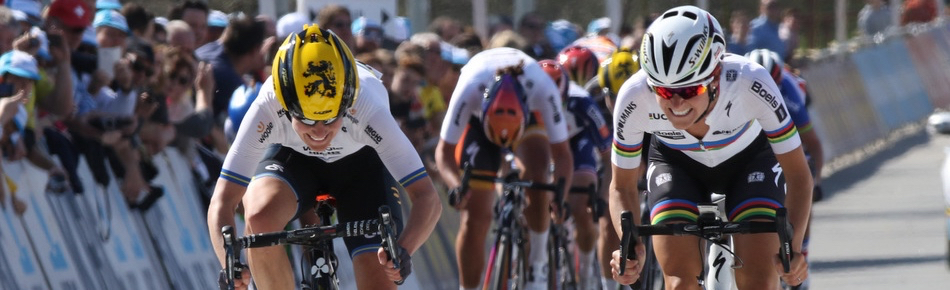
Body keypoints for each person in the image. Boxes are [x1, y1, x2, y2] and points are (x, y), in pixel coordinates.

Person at [206, 25, 441, 290]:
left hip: (362, 167)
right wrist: (229, 263)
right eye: (306, 119)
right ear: (285, 104)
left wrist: (403, 250)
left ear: (347, 101)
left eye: (330, 118)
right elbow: (223, 200)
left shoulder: (367, 105)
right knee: (259, 217)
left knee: (379, 275)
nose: (319, 131)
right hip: (293, 160)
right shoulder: (268, 104)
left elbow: (427, 198)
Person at [609, 6, 811, 289]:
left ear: (715, 77)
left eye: (690, 90)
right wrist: (629, 246)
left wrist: (794, 248)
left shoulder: (750, 82)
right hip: (676, 165)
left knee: (759, 281)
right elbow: (622, 187)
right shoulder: (634, 97)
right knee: (680, 282)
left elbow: (799, 177)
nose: (677, 104)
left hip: (751, 162)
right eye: (665, 92)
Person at [435, 47, 573, 290]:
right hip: (480, 123)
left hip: (526, 119)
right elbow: (444, 152)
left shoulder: (543, 90)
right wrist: (455, 186)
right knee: (475, 217)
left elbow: (562, 154)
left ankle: (537, 265)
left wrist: (559, 195)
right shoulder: (469, 90)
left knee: (539, 175)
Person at [745, 48, 825, 289]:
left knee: (803, 181)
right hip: (753, 146)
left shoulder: (790, 91)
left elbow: (813, 143)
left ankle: (802, 252)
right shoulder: (738, 88)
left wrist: (816, 180)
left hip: (790, 139)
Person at [539, 59, 614, 290]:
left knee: (580, 204)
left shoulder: (582, 102)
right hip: (543, 143)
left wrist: (602, 195)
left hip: (577, 143)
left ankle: (587, 275)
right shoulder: (526, 99)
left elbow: (607, 156)